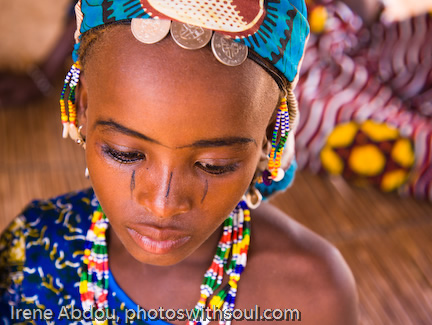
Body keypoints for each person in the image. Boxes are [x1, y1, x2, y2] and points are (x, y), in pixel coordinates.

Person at [0, 1, 358, 324]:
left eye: (215, 165)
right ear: (81, 108)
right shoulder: (34, 251)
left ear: (269, 140)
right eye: (125, 153)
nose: (163, 204)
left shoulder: (313, 298)